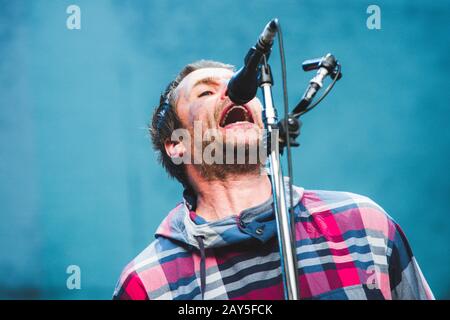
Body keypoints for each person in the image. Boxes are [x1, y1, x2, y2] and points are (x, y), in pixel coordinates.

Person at [113, 60, 434, 300]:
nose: (234, 92)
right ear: (177, 145)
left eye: (240, 85)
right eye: (207, 91)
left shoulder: (364, 224)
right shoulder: (147, 282)